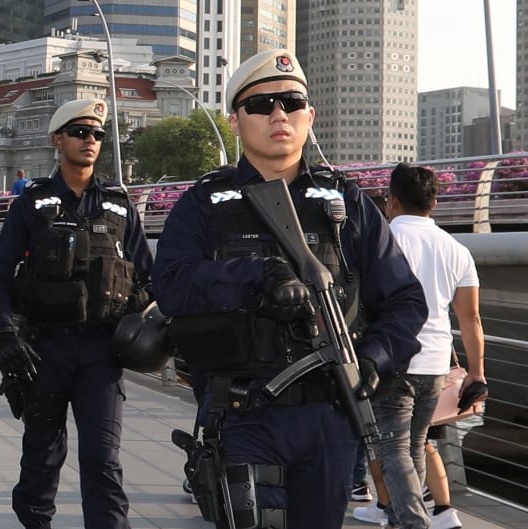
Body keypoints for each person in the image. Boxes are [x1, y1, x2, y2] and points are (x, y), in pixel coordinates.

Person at [153, 49, 428, 528]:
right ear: (235, 121)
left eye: (291, 102)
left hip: (330, 413)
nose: (279, 114)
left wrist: (374, 362)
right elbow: (172, 285)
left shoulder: (345, 203)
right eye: (260, 106)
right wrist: (257, 276)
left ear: (309, 116)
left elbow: (405, 300)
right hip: (243, 412)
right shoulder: (204, 204)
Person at [0, 98, 150, 529]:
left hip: (102, 354)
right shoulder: (31, 205)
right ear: (58, 140)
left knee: (102, 460)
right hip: (43, 351)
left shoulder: (119, 206)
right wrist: (6, 339)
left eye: (95, 134)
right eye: (79, 133)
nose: (89, 141)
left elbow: (151, 277)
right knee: (41, 455)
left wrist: (142, 322)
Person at [352, 163, 489, 529]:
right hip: (435, 365)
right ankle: (401, 519)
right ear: (435, 201)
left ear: (392, 201)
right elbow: (470, 318)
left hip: (387, 359)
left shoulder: (377, 242)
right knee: (413, 445)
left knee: (392, 448)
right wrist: (476, 373)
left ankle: (414, 522)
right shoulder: (456, 249)